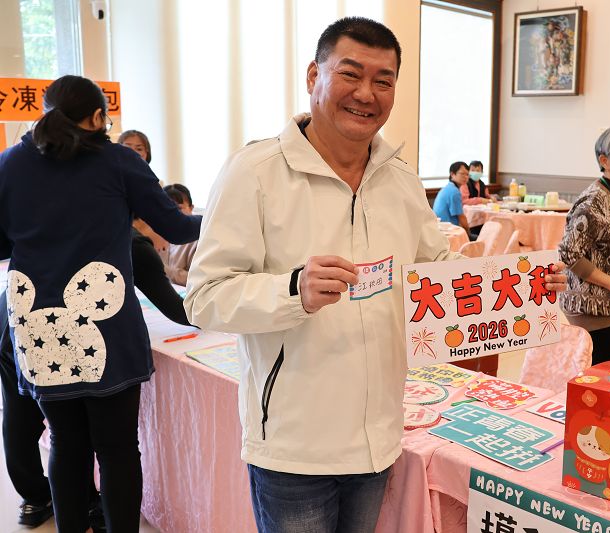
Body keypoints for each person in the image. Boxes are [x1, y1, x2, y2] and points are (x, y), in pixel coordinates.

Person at [184, 17, 566, 533]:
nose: (366, 94)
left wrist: (522, 286)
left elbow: (437, 269)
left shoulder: (399, 178)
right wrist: (293, 289)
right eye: (350, 74)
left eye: (383, 80)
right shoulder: (255, 173)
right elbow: (205, 297)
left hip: (379, 437)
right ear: (313, 76)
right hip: (295, 445)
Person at [0, 75, 201, 532]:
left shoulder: (10, 163)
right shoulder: (118, 162)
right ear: (96, 117)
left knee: (66, 444)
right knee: (117, 449)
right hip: (104, 325)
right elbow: (177, 227)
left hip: (37, 326)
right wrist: (227, 216)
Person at [559, 126, 610, 365]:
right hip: (588, 309)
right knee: (604, 375)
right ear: (605, 160)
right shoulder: (593, 200)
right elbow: (569, 254)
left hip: (607, 309)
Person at [161, 184, 198, 286]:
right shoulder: (156, 234)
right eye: (167, 209)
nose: (173, 215)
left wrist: (164, 269)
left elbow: (197, 279)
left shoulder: (198, 238)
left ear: (191, 208)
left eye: (179, 208)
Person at [433, 161, 473, 238]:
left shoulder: (448, 188)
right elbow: (461, 217)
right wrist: (468, 234)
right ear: (452, 174)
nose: (465, 177)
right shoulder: (454, 192)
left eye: (467, 174)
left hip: (439, 228)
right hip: (447, 232)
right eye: (462, 174)